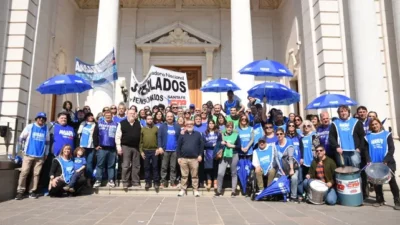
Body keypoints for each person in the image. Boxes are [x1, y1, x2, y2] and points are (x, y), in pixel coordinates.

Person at [365, 118, 400, 210]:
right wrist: (368, 160)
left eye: (376, 124)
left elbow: (391, 149)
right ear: (370, 126)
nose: (374, 126)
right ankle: (379, 200)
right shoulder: (367, 136)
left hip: (388, 162)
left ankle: (397, 201)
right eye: (372, 125)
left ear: (380, 124)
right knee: (376, 182)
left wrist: (386, 159)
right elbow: (365, 150)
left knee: (392, 182)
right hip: (374, 163)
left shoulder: (387, 134)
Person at [15, 112, 50, 200]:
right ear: (36, 119)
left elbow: (47, 142)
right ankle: (20, 191)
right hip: (28, 154)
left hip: (40, 155)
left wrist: (46, 153)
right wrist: (20, 150)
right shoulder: (30, 126)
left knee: (36, 174)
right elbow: (21, 138)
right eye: (39, 118)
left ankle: (32, 191)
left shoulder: (46, 128)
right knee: (24, 172)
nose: (41, 120)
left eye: (43, 118)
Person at [177, 120, 204, 197]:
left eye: (191, 124)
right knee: (184, 175)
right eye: (188, 124)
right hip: (183, 158)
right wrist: (179, 157)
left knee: (194, 175)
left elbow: (201, 146)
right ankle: (183, 189)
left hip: (194, 159)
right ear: (185, 125)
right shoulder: (182, 134)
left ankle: (195, 190)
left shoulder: (198, 134)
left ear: (193, 125)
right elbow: (178, 147)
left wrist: (200, 155)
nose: (189, 125)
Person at [115, 109, 141, 188]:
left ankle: (135, 182)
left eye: (133, 113)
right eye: (130, 113)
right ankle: (125, 182)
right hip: (125, 146)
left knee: (136, 165)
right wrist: (118, 147)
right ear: (127, 114)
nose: (132, 115)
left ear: (135, 114)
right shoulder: (122, 123)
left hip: (136, 147)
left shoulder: (138, 123)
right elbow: (118, 136)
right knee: (126, 165)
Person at [215, 122, 241, 197]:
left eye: (230, 127)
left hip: (234, 154)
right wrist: (221, 143)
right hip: (224, 155)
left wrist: (232, 146)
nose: (229, 128)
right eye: (228, 127)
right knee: (220, 173)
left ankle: (233, 191)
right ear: (225, 128)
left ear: (232, 128)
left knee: (233, 173)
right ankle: (219, 191)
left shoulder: (236, 135)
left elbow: (239, 146)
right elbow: (217, 144)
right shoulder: (221, 135)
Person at [93, 110, 118, 188]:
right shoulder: (99, 123)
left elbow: (118, 136)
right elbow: (95, 135)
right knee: (100, 165)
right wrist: (96, 145)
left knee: (111, 166)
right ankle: (98, 180)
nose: (108, 116)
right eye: (106, 115)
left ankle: (111, 180)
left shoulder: (116, 124)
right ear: (104, 115)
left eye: (109, 115)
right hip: (102, 148)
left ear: (112, 116)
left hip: (112, 148)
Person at [275, 128, 299, 202]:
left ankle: (293, 196)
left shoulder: (289, 142)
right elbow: (276, 159)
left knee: (294, 178)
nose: (279, 135)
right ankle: (282, 195)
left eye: (281, 134)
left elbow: (290, 157)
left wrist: (291, 169)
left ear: (284, 134)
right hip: (282, 168)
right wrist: (281, 171)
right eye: (277, 134)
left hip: (292, 167)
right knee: (276, 179)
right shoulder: (276, 144)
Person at [158, 112, 181, 188]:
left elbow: (180, 138)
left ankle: (173, 182)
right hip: (165, 150)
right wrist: (160, 147)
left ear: (173, 117)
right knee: (164, 167)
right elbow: (159, 137)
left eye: (171, 116)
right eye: (168, 116)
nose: (169, 118)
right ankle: (163, 182)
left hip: (174, 150)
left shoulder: (177, 126)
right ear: (166, 117)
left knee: (173, 167)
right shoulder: (162, 126)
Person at [77, 112, 99, 186]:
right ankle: (81, 178)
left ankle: (88, 180)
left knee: (89, 163)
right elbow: (79, 132)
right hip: (82, 146)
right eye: (89, 116)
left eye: (92, 116)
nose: (91, 117)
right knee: (82, 162)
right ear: (86, 117)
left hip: (91, 146)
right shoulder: (83, 123)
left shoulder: (95, 124)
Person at [140, 114, 160, 190]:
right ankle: (147, 182)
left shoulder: (156, 129)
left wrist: (158, 148)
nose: (150, 120)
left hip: (154, 150)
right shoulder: (143, 129)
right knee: (146, 167)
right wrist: (141, 151)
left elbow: (158, 140)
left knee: (155, 167)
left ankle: (156, 182)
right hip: (145, 150)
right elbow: (140, 141)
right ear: (146, 120)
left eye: (151, 119)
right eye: (148, 119)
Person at [203, 120, 222, 190]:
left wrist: (217, 146)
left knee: (215, 168)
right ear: (208, 125)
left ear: (214, 124)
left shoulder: (218, 133)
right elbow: (204, 144)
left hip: (216, 153)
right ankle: (209, 182)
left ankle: (215, 183)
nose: (211, 125)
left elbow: (220, 142)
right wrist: (212, 144)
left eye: (212, 123)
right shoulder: (204, 133)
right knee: (208, 168)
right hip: (208, 153)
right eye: (209, 123)